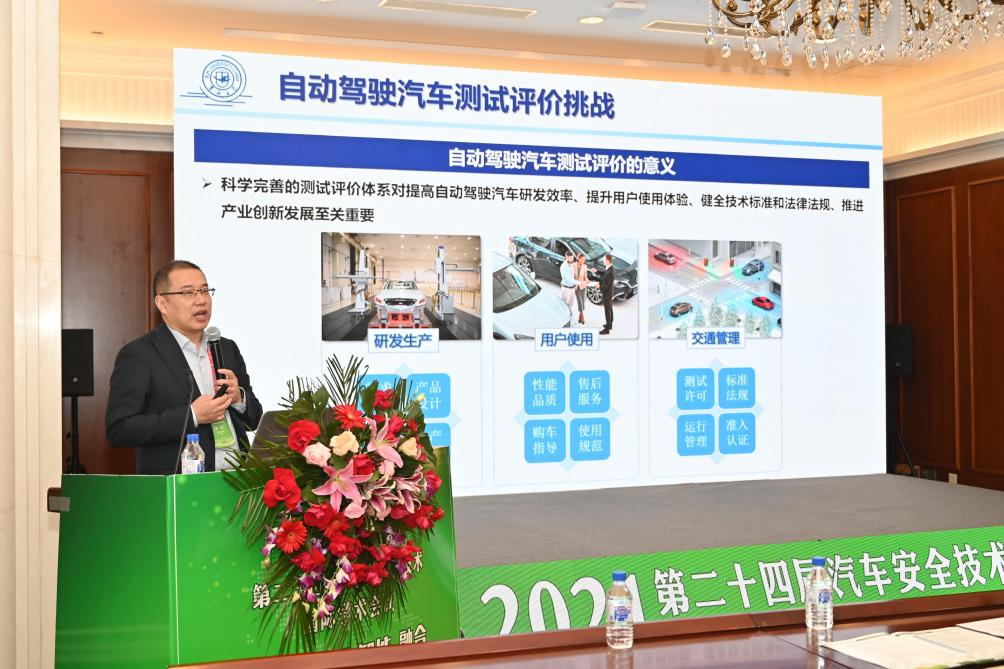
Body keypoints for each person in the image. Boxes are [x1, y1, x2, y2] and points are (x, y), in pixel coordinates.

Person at [106, 260, 263, 474]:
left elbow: (254, 419)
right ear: (162, 303)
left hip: (238, 480)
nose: (201, 300)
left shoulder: (226, 348)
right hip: (180, 484)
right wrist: (193, 415)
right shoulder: (140, 354)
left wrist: (239, 399)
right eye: (188, 293)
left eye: (205, 291)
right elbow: (119, 428)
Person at [599, 253, 615, 335]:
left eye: (604, 260)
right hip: (609, 293)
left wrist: (599, 286)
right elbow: (605, 273)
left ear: (608, 261)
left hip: (607, 294)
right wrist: (597, 271)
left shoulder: (610, 272)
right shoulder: (610, 268)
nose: (603, 261)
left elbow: (607, 286)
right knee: (609, 309)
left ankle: (607, 330)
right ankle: (610, 324)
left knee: (607, 311)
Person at [558, 250, 577, 323]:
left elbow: (572, 276)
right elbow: (569, 279)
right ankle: (562, 321)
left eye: (573, 258)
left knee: (571, 305)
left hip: (572, 289)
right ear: (567, 257)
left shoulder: (571, 265)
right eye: (571, 258)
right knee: (564, 306)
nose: (572, 259)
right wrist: (580, 283)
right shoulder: (563, 267)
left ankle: (571, 319)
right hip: (566, 289)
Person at [573, 253, 590, 325]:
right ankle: (582, 317)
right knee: (580, 301)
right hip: (577, 287)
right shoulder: (573, 265)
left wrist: (588, 281)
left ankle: (580, 317)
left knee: (583, 302)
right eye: (582, 259)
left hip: (583, 286)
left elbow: (586, 277)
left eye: (584, 259)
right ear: (578, 258)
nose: (583, 261)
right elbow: (572, 277)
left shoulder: (585, 266)